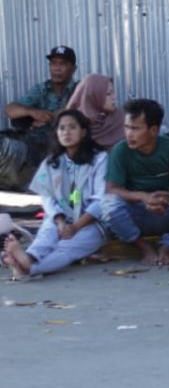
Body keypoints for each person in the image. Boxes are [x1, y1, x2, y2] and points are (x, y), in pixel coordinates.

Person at [100, 99, 169, 267]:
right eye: (126, 127)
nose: (129, 134)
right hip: (136, 213)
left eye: (135, 128)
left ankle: (168, 246)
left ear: (153, 130)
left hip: (167, 211)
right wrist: (143, 197)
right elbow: (112, 189)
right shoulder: (120, 150)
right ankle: (143, 247)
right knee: (107, 204)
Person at [2, 110, 108, 279]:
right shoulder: (52, 162)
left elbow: (100, 201)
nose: (66, 132)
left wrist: (76, 227)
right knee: (45, 237)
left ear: (83, 131)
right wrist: (59, 221)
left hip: (92, 224)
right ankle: (27, 259)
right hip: (60, 219)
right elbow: (47, 197)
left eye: (72, 127)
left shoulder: (99, 159)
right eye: (62, 128)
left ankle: (28, 267)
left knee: (67, 249)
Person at [0, 45, 81, 188]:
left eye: (62, 64)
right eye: (54, 63)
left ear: (73, 69)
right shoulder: (42, 89)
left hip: (62, 143)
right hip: (35, 141)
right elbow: (10, 110)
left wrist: (50, 119)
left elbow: (75, 108)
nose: (57, 68)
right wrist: (32, 112)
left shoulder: (79, 89)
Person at [66, 74, 124, 149]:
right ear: (93, 96)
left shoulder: (120, 119)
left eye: (113, 93)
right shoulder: (73, 123)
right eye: (108, 94)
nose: (114, 98)